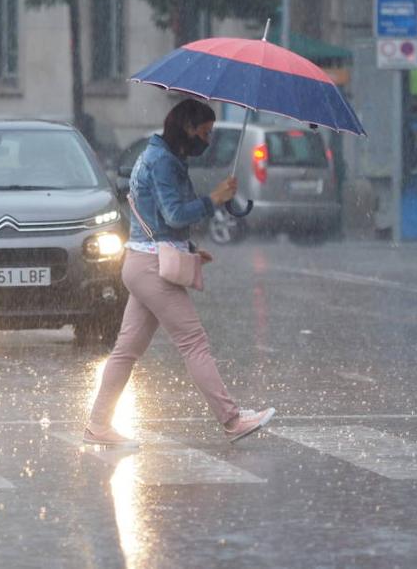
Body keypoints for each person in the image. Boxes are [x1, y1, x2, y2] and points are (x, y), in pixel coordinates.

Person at [86, 98, 276, 446]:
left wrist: (187, 249)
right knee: (194, 343)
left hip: (141, 261)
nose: (208, 139)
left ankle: (98, 425)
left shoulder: (161, 156)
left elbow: (160, 221)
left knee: (126, 351)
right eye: (205, 132)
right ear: (187, 128)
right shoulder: (163, 162)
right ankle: (232, 420)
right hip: (152, 268)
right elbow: (174, 215)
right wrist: (213, 199)